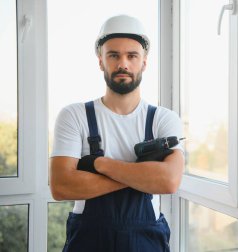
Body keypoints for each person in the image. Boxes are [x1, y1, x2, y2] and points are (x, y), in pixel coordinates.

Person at [49, 14, 184, 252]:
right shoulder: (74, 116)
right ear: (101, 61)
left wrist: (99, 164)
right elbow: (61, 186)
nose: (123, 64)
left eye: (132, 56)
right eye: (113, 55)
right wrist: (141, 176)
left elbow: (169, 181)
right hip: (88, 240)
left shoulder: (164, 119)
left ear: (144, 62)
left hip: (146, 240)